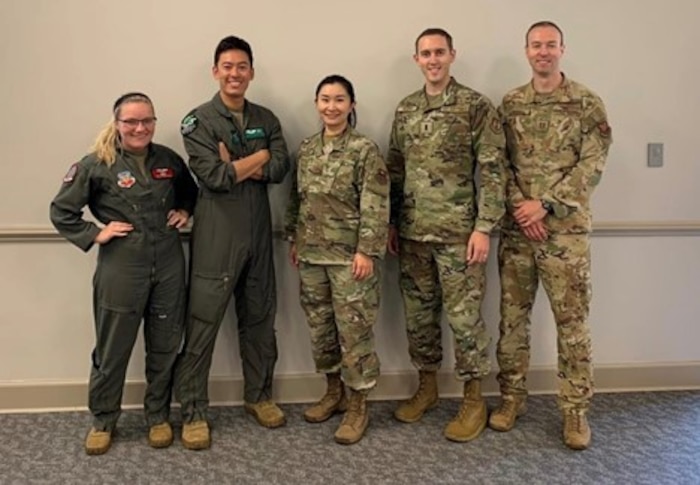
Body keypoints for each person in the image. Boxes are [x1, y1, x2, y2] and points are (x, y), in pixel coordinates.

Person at [49, 92, 198, 455]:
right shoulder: (97, 163)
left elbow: (190, 193)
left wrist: (184, 210)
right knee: (113, 349)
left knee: (164, 345)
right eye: (131, 121)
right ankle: (103, 420)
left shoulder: (168, 159)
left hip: (167, 264)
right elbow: (61, 210)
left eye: (147, 120)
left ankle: (158, 416)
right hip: (122, 267)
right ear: (117, 123)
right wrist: (94, 233)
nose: (140, 128)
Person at [491, 20, 612, 450]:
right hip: (519, 233)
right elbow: (497, 164)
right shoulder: (510, 104)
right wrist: (522, 209)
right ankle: (511, 399)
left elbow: (591, 166)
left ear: (563, 49)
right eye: (536, 45)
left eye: (550, 45)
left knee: (572, 325)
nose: (543, 52)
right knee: (511, 323)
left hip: (565, 235)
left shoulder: (586, 103)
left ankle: (575, 413)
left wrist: (544, 204)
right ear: (526, 51)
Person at [386, 28, 506, 442]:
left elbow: (492, 170)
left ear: (452, 55)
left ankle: (474, 399)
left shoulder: (474, 106)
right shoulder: (406, 110)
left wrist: (484, 227)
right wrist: (390, 223)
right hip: (414, 233)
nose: (433, 59)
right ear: (416, 58)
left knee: (465, 320)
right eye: (425, 53)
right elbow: (395, 171)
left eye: (439, 52)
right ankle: (428, 387)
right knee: (419, 318)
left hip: (460, 236)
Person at [173, 35, 290, 450]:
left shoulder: (267, 117)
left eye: (242, 66)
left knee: (260, 318)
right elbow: (216, 178)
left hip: (258, 229)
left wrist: (246, 162)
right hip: (217, 233)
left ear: (251, 72)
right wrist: (258, 158)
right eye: (227, 66)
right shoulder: (198, 121)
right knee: (203, 322)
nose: (234, 73)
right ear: (215, 71)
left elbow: (280, 166)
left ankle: (259, 396)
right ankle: (193, 411)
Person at [285, 75, 389, 445]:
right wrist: (294, 237)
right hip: (312, 255)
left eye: (339, 99)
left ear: (352, 106)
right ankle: (334, 392)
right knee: (321, 329)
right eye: (325, 99)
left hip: (350, 258)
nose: (332, 106)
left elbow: (375, 204)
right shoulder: (307, 149)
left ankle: (359, 403)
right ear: (317, 104)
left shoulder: (364, 150)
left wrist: (367, 250)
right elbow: (296, 199)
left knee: (354, 332)